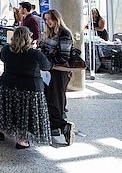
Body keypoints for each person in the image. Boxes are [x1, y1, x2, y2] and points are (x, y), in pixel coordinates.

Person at [0, 26, 52, 149]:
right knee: (25, 114)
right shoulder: (35, 54)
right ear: (28, 38)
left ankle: (3, 131)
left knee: (9, 110)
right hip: (29, 87)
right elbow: (47, 66)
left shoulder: (5, 50)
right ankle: (22, 140)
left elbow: (3, 59)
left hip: (8, 84)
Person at [39, 9, 75, 146]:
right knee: (49, 97)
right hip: (48, 70)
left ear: (56, 19)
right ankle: (53, 125)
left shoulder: (64, 34)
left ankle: (61, 125)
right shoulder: (49, 32)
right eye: (46, 19)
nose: (48, 22)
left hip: (59, 71)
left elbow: (64, 56)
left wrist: (47, 59)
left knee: (57, 99)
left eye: (50, 19)